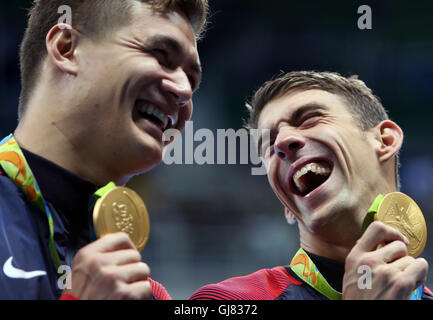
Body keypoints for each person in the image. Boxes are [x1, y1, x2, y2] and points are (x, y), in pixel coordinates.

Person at [0, 0, 208, 300]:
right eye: (160, 54)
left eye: (192, 78)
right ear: (67, 48)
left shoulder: (142, 288)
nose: (184, 90)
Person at [190, 71, 432, 300]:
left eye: (309, 119)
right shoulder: (229, 300)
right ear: (287, 205)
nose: (282, 143)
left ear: (384, 141)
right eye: (269, 144)